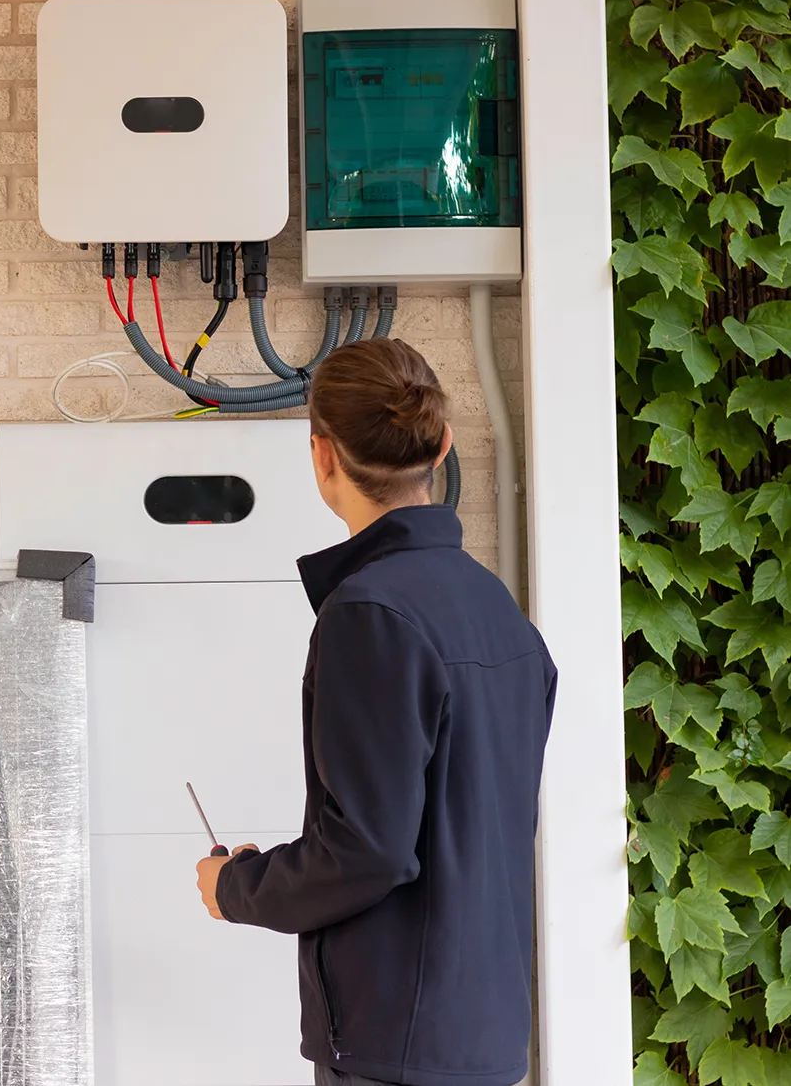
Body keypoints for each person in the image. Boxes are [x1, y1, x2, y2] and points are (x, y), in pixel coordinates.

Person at [195, 337, 555, 1086]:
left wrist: (237, 888)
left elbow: (369, 849)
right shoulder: (499, 611)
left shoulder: (369, 613)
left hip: (395, 1049)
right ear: (443, 444)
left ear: (322, 456)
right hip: (480, 1040)